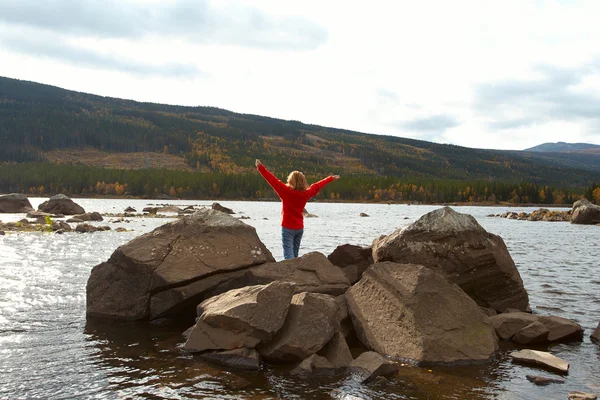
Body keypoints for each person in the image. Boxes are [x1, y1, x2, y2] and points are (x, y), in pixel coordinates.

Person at [255, 159, 339, 260]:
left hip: (287, 227)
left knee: (289, 255)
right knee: (295, 254)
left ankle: (292, 274)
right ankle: (297, 273)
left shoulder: (285, 191)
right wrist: (330, 178)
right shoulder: (306, 194)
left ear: (290, 180)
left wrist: (260, 168)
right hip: (299, 228)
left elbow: (272, 180)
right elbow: (317, 186)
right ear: (303, 181)